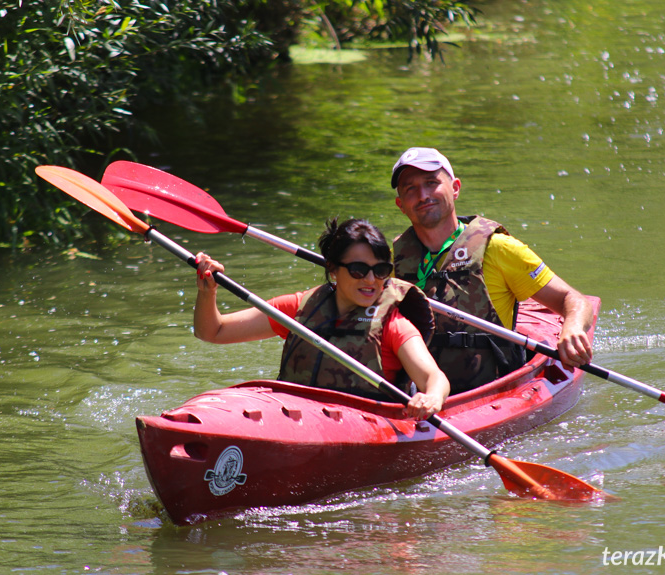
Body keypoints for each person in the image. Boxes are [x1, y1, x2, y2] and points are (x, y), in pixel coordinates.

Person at [193, 217, 451, 419]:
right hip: (295, 417)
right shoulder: (300, 308)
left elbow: (434, 378)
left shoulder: (393, 324)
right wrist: (208, 292)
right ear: (333, 269)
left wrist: (431, 398)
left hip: (364, 425)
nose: (371, 280)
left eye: (380, 270)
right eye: (358, 270)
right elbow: (212, 332)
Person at [390, 147, 595, 394]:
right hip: (422, 395)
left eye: (431, 182)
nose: (423, 195)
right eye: (410, 188)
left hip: (493, 390)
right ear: (401, 204)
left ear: (455, 188)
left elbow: (573, 299)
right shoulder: (392, 260)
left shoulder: (497, 248)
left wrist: (572, 328)